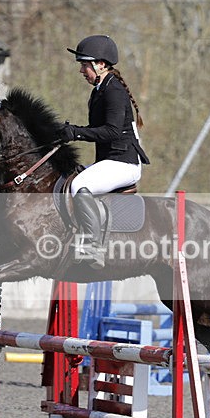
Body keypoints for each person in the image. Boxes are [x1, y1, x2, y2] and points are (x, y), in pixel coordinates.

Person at [59, 34, 149, 269]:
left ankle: (94, 247)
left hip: (125, 163)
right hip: (112, 161)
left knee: (80, 186)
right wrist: (69, 133)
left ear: (100, 64)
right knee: (68, 179)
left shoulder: (114, 91)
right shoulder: (101, 89)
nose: (81, 70)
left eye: (84, 65)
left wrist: (76, 133)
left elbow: (110, 132)